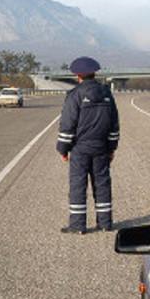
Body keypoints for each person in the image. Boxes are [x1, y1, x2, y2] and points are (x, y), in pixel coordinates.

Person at [56, 56, 120, 234]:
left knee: (78, 185)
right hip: (101, 148)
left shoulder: (75, 95)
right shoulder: (107, 93)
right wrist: (112, 147)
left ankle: (78, 226)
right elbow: (114, 123)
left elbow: (67, 125)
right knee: (102, 185)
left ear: (78, 76)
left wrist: (63, 149)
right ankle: (106, 223)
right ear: (94, 74)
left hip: (80, 149)